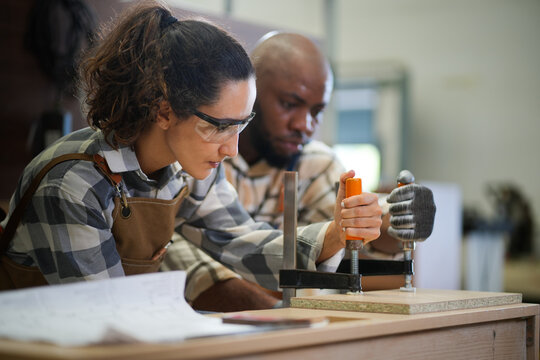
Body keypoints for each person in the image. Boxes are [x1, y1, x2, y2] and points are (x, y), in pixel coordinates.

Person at [0, 3, 383, 292]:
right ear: (164, 110)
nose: (231, 149)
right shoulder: (74, 184)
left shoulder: (184, 171)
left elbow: (243, 243)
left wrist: (335, 232)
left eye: (242, 125)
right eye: (218, 127)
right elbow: (105, 316)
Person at [162, 32, 436, 311]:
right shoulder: (192, 156)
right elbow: (191, 265)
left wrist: (395, 216)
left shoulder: (316, 163)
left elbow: (357, 228)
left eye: (317, 111)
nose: (304, 125)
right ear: (250, 92)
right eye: (289, 104)